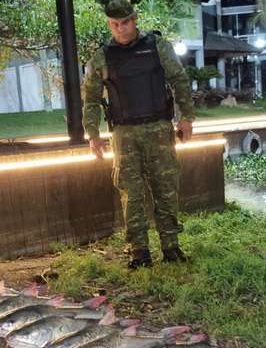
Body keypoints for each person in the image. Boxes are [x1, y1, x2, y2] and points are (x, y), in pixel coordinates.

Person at [82, 0, 195, 269]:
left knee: (165, 189)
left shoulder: (157, 47)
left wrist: (187, 117)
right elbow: (91, 98)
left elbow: (179, 80)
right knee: (131, 194)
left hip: (158, 129)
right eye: (114, 24)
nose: (120, 29)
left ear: (135, 19)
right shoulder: (102, 57)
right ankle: (139, 252)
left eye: (125, 22)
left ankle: (171, 247)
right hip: (124, 134)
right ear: (109, 23)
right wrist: (92, 134)